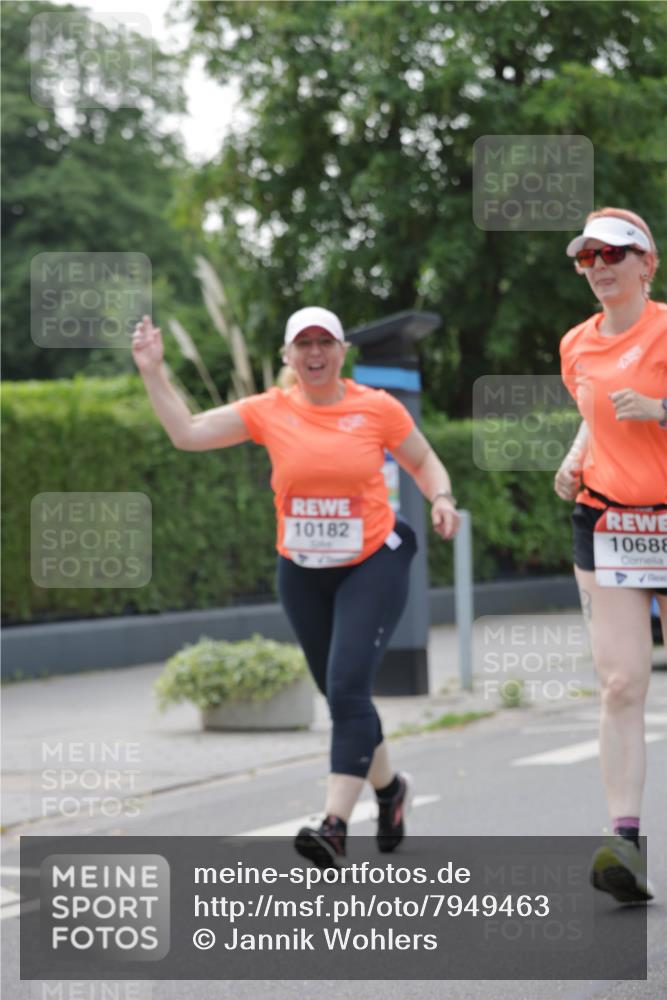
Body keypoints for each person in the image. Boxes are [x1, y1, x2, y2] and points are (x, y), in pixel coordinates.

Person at [132, 305, 460, 868]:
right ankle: (389, 791)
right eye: (302, 345)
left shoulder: (374, 408)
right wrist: (152, 371)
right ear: (288, 355)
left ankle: (334, 825)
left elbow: (423, 459)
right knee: (343, 693)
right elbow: (187, 434)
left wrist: (442, 498)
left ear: (342, 351)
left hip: (371, 562)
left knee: (347, 687)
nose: (314, 354)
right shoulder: (269, 409)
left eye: (325, 343)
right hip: (302, 570)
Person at [555, 208, 667, 902]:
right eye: (587, 256)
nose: (599, 266)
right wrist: (573, 459)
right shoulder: (574, 344)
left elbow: (641, 413)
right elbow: (591, 415)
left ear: (646, 265)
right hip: (608, 524)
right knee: (621, 683)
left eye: (613, 254)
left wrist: (659, 412)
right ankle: (623, 844)